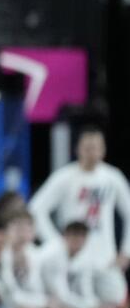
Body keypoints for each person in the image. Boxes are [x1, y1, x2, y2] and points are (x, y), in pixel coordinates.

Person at [28, 126, 130, 298]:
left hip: (105, 259)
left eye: (96, 147)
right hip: (71, 261)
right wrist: (56, 243)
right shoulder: (64, 177)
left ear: (103, 150)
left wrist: (126, 252)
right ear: (78, 149)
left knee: (116, 305)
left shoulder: (113, 178)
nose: (92, 152)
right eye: (87, 147)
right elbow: (35, 210)